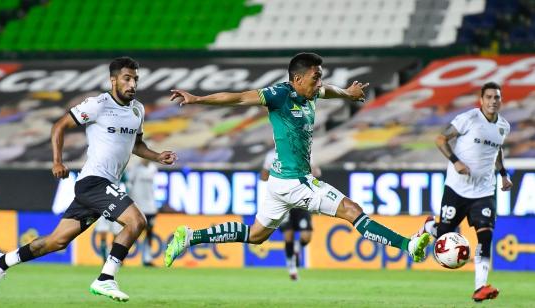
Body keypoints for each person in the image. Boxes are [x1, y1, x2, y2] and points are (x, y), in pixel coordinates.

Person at [163, 52, 431, 270]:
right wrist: (198, 99)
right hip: (295, 181)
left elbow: (329, 91)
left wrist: (348, 94)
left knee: (256, 235)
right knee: (352, 210)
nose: (319, 83)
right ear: (297, 78)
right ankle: (408, 245)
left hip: (279, 183)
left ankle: (190, 236)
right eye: (315, 78)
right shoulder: (279, 95)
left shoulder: (311, 92)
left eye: (320, 78)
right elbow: (239, 97)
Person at [0, 57, 177, 302]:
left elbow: (136, 145)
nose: (132, 84)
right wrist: (57, 161)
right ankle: (106, 278)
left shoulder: (137, 110)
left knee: (56, 242)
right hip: (93, 182)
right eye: (127, 78)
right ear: (113, 80)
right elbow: (59, 126)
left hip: (105, 185)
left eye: (135, 80)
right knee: (136, 221)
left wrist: (157, 156)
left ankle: (3, 260)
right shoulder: (98, 105)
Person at [418, 82, 512, 302]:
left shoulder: (504, 126)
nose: (493, 101)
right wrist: (456, 161)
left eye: (497, 97)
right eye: (489, 97)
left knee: (486, 236)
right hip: (457, 189)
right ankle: (430, 227)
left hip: (484, 192)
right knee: (443, 234)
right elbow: (440, 139)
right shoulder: (468, 118)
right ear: (481, 99)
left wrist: (504, 174)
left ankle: (480, 287)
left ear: (501, 100)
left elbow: (496, 151)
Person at [260, 148, 321, 280]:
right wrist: (275, 176)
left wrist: (312, 173)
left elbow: (316, 173)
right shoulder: (272, 156)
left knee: (306, 236)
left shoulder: (306, 152)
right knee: (288, 235)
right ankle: (292, 268)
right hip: (283, 202)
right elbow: (263, 176)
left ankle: (297, 248)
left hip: (302, 200)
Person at [126, 158, 159, 266]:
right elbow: (129, 184)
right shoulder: (135, 168)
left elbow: (155, 188)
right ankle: (121, 256)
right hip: (138, 205)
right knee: (133, 231)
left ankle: (147, 258)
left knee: (149, 232)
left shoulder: (154, 168)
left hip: (150, 206)